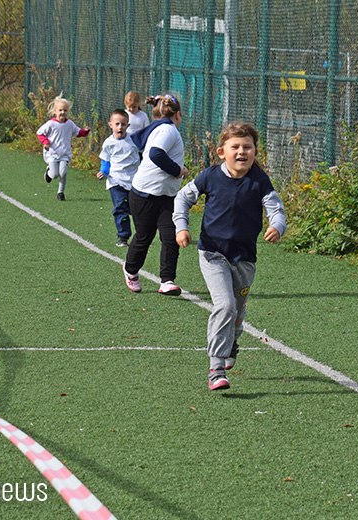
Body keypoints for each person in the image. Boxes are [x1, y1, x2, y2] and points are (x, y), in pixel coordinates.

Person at [173, 122, 286, 391]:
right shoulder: (209, 176)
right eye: (235, 147)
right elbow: (182, 198)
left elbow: (277, 209)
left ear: (255, 152)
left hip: (244, 258)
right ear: (222, 151)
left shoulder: (259, 181)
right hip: (213, 253)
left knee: (237, 308)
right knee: (224, 306)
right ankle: (216, 367)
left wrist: (276, 226)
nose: (242, 152)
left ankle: (233, 339)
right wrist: (182, 227)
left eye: (247, 147)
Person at [122, 94, 188, 295]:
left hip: (166, 196)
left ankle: (167, 280)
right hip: (145, 194)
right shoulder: (168, 130)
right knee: (144, 236)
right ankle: (130, 270)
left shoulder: (162, 128)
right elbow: (155, 154)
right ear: (178, 114)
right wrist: (178, 171)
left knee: (170, 237)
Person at [97, 109, 139, 247]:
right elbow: (106, 161)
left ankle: (142, 234)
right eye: (117, 124)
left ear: (128, 125)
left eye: (123, 124)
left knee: (137, 208)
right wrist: (103, 172)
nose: (120, 127)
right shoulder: (108, 143)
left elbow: (144, 154)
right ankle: (123, 236)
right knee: (120, 207)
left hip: (134, 180)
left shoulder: (134, 140)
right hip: (116, 181)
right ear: (111, 125)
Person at [36, 95, 90, 201]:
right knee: (55, 174)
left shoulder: (69, 124)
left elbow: (77, 132)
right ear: (55, 111)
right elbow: (40, 133)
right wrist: (46, 142)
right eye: (60, 110)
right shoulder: (51, 124)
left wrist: (85, 131)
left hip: (64, 154)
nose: (62, 112)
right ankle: (48, 172)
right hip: (52, 153)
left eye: (65, 110)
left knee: (63, 172)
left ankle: (61, 193)